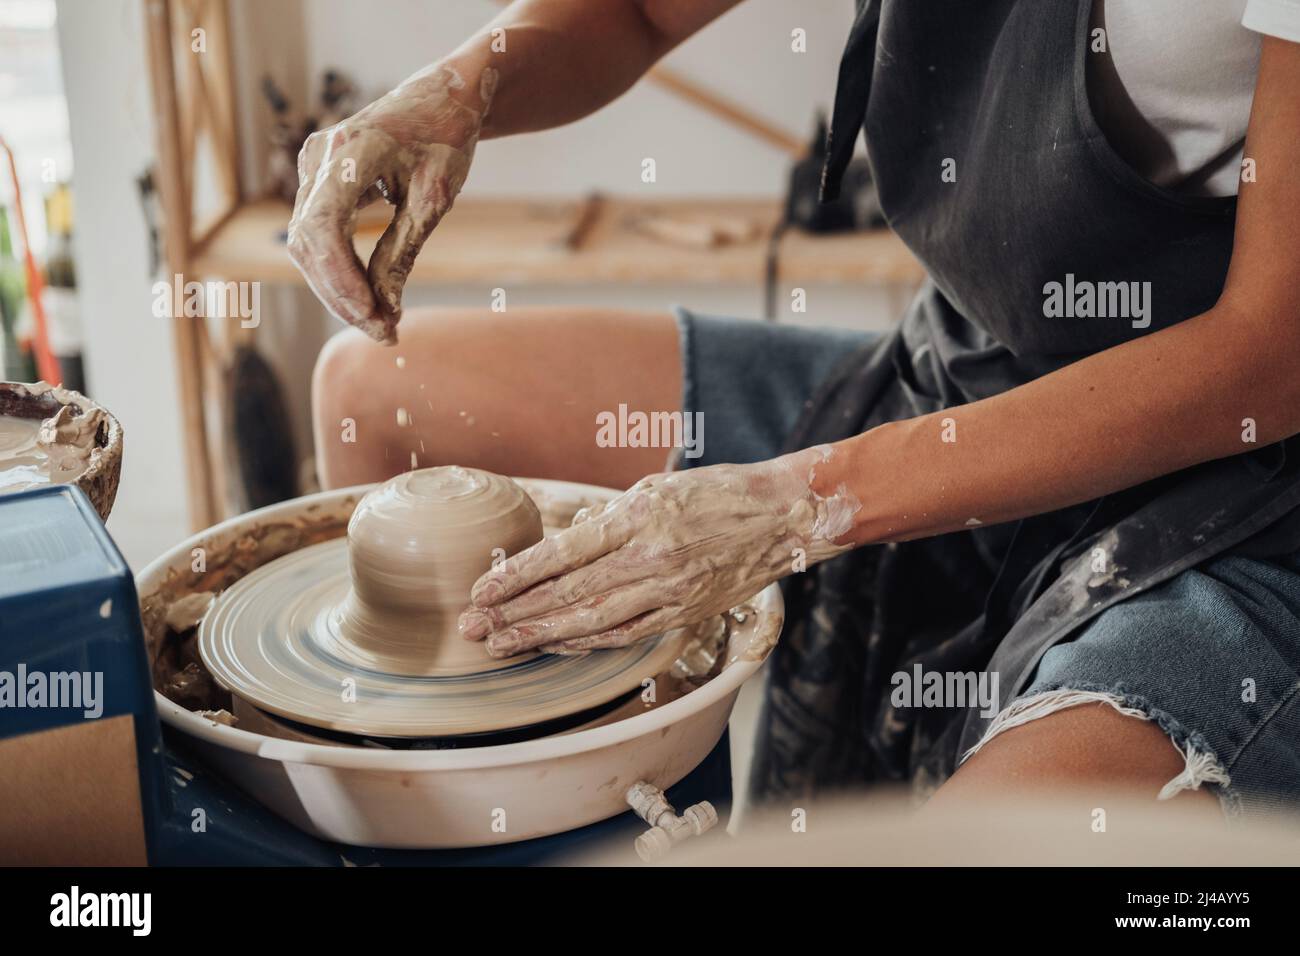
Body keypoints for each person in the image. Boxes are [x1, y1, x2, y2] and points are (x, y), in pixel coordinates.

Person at [291, 0, 1300, 818]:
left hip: (1239, 495)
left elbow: (1269, 360)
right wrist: (455, 89)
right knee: (371, 394)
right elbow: (639, 15)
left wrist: (799, 504)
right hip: (965, 374)